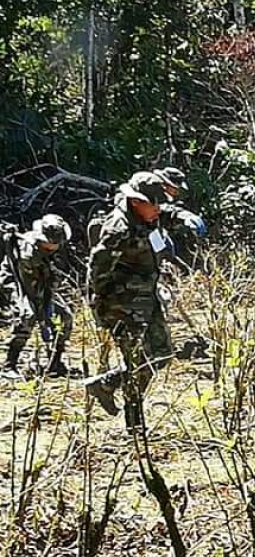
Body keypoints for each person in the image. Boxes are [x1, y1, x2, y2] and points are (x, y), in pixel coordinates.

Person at [84, 172, 174, 428]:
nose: (158, 209)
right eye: (153, 204)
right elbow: (98, 270)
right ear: (136, 202)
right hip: (121, 306)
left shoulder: (147, 218)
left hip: (147, 299)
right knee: (136, 362)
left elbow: (164, 218)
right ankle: (135, 427)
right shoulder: (118, 229)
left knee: (162, 354)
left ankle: (107, 383)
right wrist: (99, 308)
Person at [0, 215, 74, 377]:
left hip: (44, 284)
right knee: (27, 316)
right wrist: (44, 318)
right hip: (17, 281)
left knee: (65, 316)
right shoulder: (29, 255)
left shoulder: (53, 247)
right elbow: (32, 290)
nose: (56, 245)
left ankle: (55, 361)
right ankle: (9, 365)